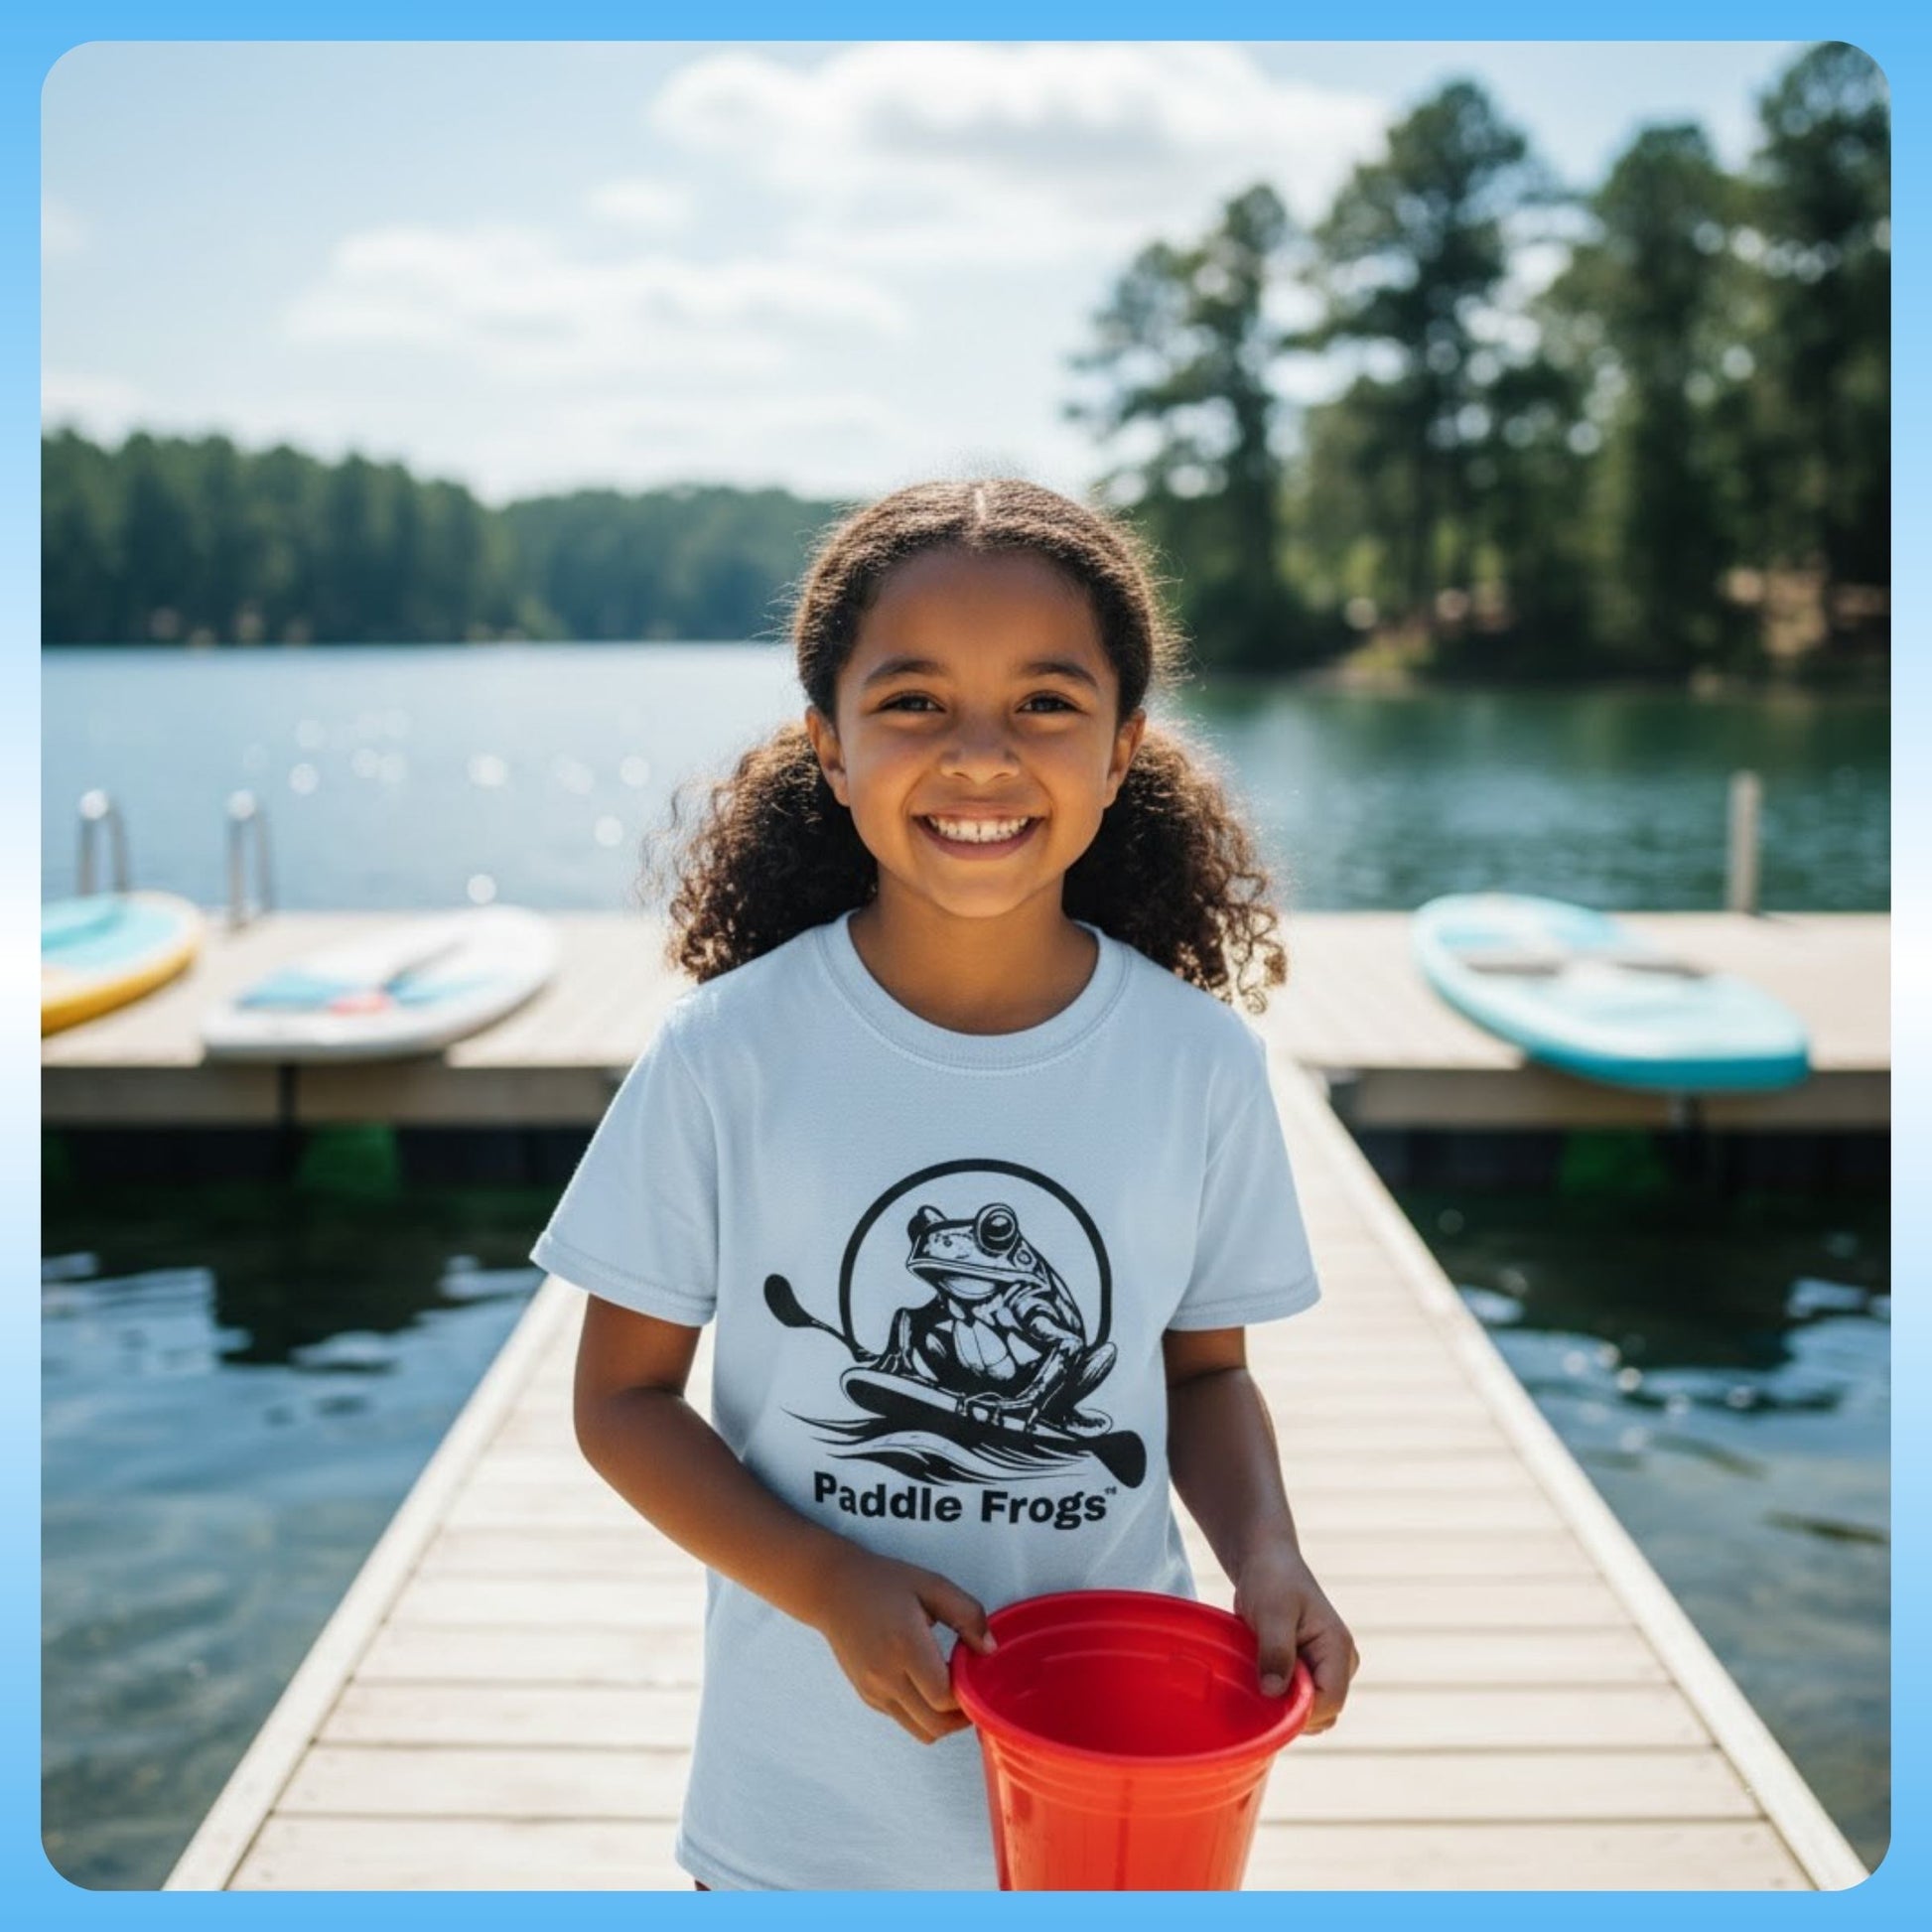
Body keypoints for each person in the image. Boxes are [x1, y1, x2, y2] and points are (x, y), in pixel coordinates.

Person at [534, 478, 1358, 1891]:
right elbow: (620, 1404)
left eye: (1045, 702)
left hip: (1121, 1793)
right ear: (830, 745)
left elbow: (1206, 1375)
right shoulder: (727, 1053)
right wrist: (826, 1580)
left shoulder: (1198, 1062)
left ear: (1122, 749)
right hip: (802, 1812)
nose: (981, 756)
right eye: (914, 701)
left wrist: (1266, 1556)